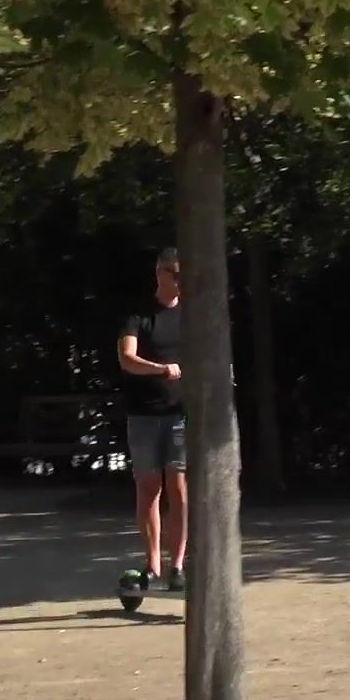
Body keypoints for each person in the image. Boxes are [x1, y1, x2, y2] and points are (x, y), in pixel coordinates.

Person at [116, 247, 188, 589]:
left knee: (179, 487)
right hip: (143, 415)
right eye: (177, 274)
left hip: (179, 415)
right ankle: (152, 565)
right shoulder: (138, 316)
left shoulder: (190, 315)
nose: (182, 281)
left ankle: (178, 566)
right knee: (149, 489)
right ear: (160, 273)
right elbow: (127, 358)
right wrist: (161, 369)